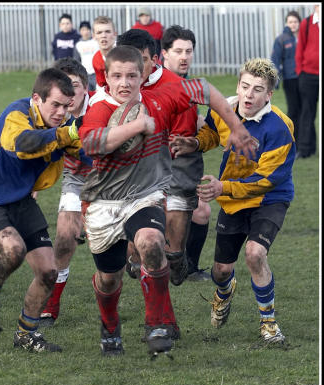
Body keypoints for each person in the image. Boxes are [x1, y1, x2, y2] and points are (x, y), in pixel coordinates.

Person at [78, 44, 255, 357]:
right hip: (104, 203)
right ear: (105, 77)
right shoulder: (99, 107)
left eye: (132, 75)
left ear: (143, 73)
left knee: (151, 243)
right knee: (108, 278)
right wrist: (138, 126)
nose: (124, 83)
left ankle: (157, 324)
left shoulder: (159, 98)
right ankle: (110, 326)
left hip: (144, 196)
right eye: (116, 75)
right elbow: (93, 143)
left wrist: (237, 127)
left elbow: (205, 89)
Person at [170, 58, 295, 344]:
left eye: (258, 89)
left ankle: (268, 323)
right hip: (233, 201)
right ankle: (224, 292)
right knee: (221, 270)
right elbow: (213, 133)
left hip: (269, 199)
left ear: (269, 95)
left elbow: (267, 179)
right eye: (245, 86)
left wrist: (222, 186)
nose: (249, 95)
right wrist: (196, 143)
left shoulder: (279, 128)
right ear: (238, 85)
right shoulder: (225, 110)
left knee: (254, 254)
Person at [0, 68, 81, 352]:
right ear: (36, 98)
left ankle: (26, 335)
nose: (61, 112)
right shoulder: (17, 114)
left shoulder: (67, 126)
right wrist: (65, 134)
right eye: (55, 104)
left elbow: (87, 154)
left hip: (22, 200)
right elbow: (21, 144)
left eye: (67, 106)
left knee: (49, 271)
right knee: (13, 250)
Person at [116, 27, 209, 286]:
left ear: (154, 59)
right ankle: (134, 255)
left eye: (140, 60)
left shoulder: (175, 86)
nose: (132, 67)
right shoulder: (116, 83)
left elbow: (182, 139)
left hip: (174, 157)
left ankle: (177, 255)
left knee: (181, 198)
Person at [39, 58, 94, 327]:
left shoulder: (103, 106)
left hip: (115, 177)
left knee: (131, 250)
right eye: (62, 87)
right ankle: (51, 305)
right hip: (76, 176)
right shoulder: (49, 115)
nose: (68, 94)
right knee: (63, 238)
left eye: (73, 86)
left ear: (86, 87)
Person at [161, 25, 211, 281]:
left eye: (188, 51)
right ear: (164, 54)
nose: (184, 56)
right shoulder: (158, 85)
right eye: (178, 51)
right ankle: (154, 265)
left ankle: (186, 267)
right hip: (165, 163)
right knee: (163, 217)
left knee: (201, 212)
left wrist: (201, 125)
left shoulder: (190, 86)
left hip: (188, 160)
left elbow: (190, 118)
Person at [271, 11, 301, 153]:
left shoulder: (304, 37)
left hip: (304, 78)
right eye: (290, 22)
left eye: (295, 21)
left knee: (306, 112)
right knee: (293, 111)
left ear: (299, 23)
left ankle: (306, 143)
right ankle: (293, 142)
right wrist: (275, 80)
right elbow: (275, 60)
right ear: (286, 23)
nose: (293, 24)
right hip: (290, 79)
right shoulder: (282, 39)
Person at [294, 4, 320, 159]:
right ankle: (305, 148)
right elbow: (300, 49)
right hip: (308, 75)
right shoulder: (306, 23)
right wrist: (300, 72)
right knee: (307, 112)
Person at [91, 16, 117, 89]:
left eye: (107, 31)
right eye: (99, 32)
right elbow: (102, 86)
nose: (103, 36)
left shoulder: (126, 54)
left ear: (115, 34)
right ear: (94, 36)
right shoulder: (96, 59)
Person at [73, 21, 100, 91]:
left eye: (87, 29)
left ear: (90, 30)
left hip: (96, 74)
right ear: (80, 31)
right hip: (85, 75)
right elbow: (77, 61)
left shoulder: (96, 42)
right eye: (83, 30)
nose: (85, 32)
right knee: (87, 95)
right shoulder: (78, 45)